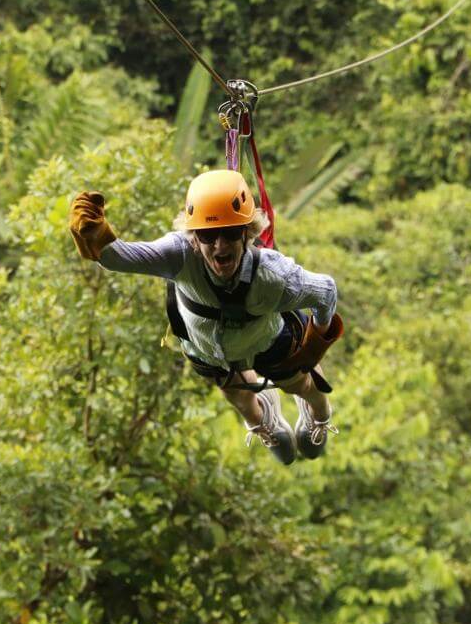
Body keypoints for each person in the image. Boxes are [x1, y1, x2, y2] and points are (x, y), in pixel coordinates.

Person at [68, 169, 343, 465]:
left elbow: (325, 292)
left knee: (299, 385)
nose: (220, 245)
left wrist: (315, 341)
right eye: (208, 235)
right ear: (194, 238)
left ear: (247, 233)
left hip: (268, 339)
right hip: (212, 350)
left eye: (230, 234)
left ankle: (319, 414)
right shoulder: (178, 255)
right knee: (240, 397)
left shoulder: (274, 277)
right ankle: (266, 421)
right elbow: (117, 257)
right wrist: (94, 235)